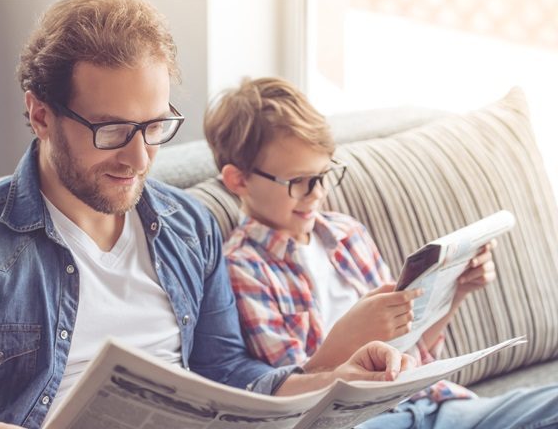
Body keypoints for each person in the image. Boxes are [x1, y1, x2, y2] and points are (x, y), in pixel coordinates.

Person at [0, 0, 415, 429]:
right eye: (111, 130)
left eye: (154, 127)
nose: (138, 160)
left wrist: (332, 380)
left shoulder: (191, 226)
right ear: (40, 114)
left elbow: (229, 376)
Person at [204, 76, 558, 429]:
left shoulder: (346, 233)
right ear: (239, 180)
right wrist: (349, 338)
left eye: (324, 175)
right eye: (299, 181)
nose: (317, 193)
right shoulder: (243, 269)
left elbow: (409, 347)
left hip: (431, 403)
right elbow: (298, 399)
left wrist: (456, 292)